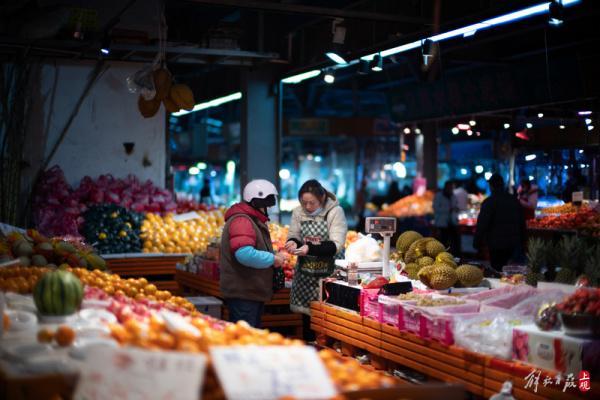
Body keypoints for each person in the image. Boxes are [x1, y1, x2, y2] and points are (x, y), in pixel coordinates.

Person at [285, 179, 347, 340]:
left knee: (329, 320)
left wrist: (309, 248)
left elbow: (337, 244)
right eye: (304, 202)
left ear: (322, 199)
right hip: (306, 273)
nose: (307, 207)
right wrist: (292, 242)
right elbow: (295, 235)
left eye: (311, 203)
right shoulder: (298, 212)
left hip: (329, 273)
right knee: (308, 320)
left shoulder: (335, 212)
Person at [219, 179, 285, 328]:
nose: (268, 209)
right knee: (246, 338)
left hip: (249, 291)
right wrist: (273, 259)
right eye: (266, 205)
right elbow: (244, 254)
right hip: (244, 292)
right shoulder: (242, 221)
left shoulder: (250, 219)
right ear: (257, 203)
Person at [474, 174, 525, 272]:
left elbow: (482, 224)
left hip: (495, 243)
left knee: (497, 270)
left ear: (491, 186)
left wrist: (477, 242)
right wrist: (523, 241)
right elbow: (522, 222)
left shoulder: (489, 202)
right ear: (502, 185)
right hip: (513, 242)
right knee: (511, 271)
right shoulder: (514, 200)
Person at [433, 181, 459, 253]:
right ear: (446, 187)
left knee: (453, 242)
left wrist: (455, 209)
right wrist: (449, 209)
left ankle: (452, 255)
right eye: (450, 187)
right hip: (442, 223)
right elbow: (435, 208)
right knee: (442, 241)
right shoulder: (438, 195)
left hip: (452, 223)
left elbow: (454, 206)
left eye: (452, 187)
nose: (451, 189)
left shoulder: (453, 196)